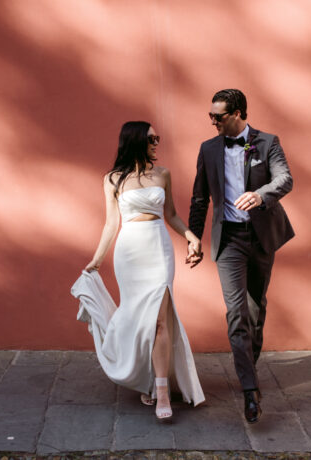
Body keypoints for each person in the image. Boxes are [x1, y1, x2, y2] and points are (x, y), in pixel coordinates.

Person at [74, 121, 205, 422]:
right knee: (139, 319)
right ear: (134, 141)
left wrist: (190, 236)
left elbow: (170, 214)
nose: (157, 143)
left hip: (158, 249)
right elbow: (111, 224)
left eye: (157, 138)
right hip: (129, 252)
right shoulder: (112, 179)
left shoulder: (163, 174)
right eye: (151, 139)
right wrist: (96, 259)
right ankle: (146, 378)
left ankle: (161, 392)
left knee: (160, 321)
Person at [187, 89, 294, 423]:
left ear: (237, 113)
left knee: (255, 308)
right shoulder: (208, 148)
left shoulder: (267, 142)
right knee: (236, 313)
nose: (213, 121)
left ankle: (249, 364)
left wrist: (260, 196)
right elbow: (199, 198)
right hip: (229, 239)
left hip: (261, 236)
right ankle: (250, 389)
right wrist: (193, 237)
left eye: (218, 116)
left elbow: (285, 179)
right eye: (211, 116)